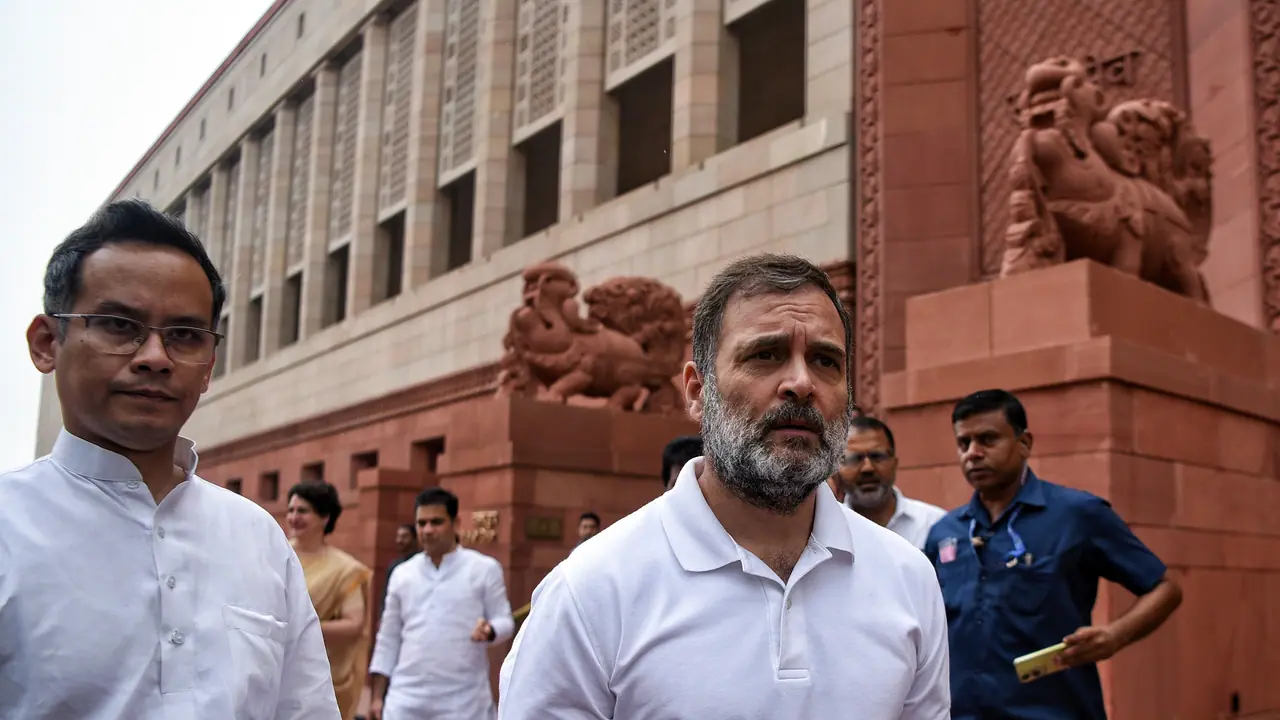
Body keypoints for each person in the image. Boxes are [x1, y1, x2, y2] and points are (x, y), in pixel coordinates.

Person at [498, 253, 949, 719]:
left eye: (825, 361)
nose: (800, 382)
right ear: (697, 391)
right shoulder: (591, 590)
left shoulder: (908, 578)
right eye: (765, 355)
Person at [0, 199, 339, 719]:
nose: (155, 357)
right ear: (47, 343)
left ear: (207, 367)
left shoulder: (257, 536)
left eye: (183, 335)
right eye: (118, 325)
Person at [924, 389, 1182, 720]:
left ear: (1025, 443)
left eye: (987, 439)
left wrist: (1115, 635)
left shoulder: (1078, 515)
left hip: (1054, 711)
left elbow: (1165, 588)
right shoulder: (946, 531)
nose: (973, 453)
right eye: (964, 443)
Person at [369, 487, 515, 720]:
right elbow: (388, 637)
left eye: (436, 522)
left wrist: (490, 631)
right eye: (421, 523)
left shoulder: (484, 568)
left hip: (464, 701)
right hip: (405, 699)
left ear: (455, 523)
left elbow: (505, 621)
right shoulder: (402, 574)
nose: (427, 530)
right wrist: (377, 696)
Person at [287, 480, 374, 720]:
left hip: (320, 677)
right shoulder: (277, 554)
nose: (294, 517)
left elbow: (354, 624)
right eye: (291, 510)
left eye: (303, 511)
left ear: (325, 518)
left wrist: (300, 628)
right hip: (274, 664)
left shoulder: (345, 569)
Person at [835, 415, 946, 550]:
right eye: (854, 459)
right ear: (837, 468)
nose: (868, 468)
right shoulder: (828, 528)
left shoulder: (933, 523)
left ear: (894, 463)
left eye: (878, 457)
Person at [380, 523, 419, 610]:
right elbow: (386, 595)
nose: (399, 541)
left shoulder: (423, 563)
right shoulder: (394, 566)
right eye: (398, 536)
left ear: (415, 539)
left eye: (404, 537)